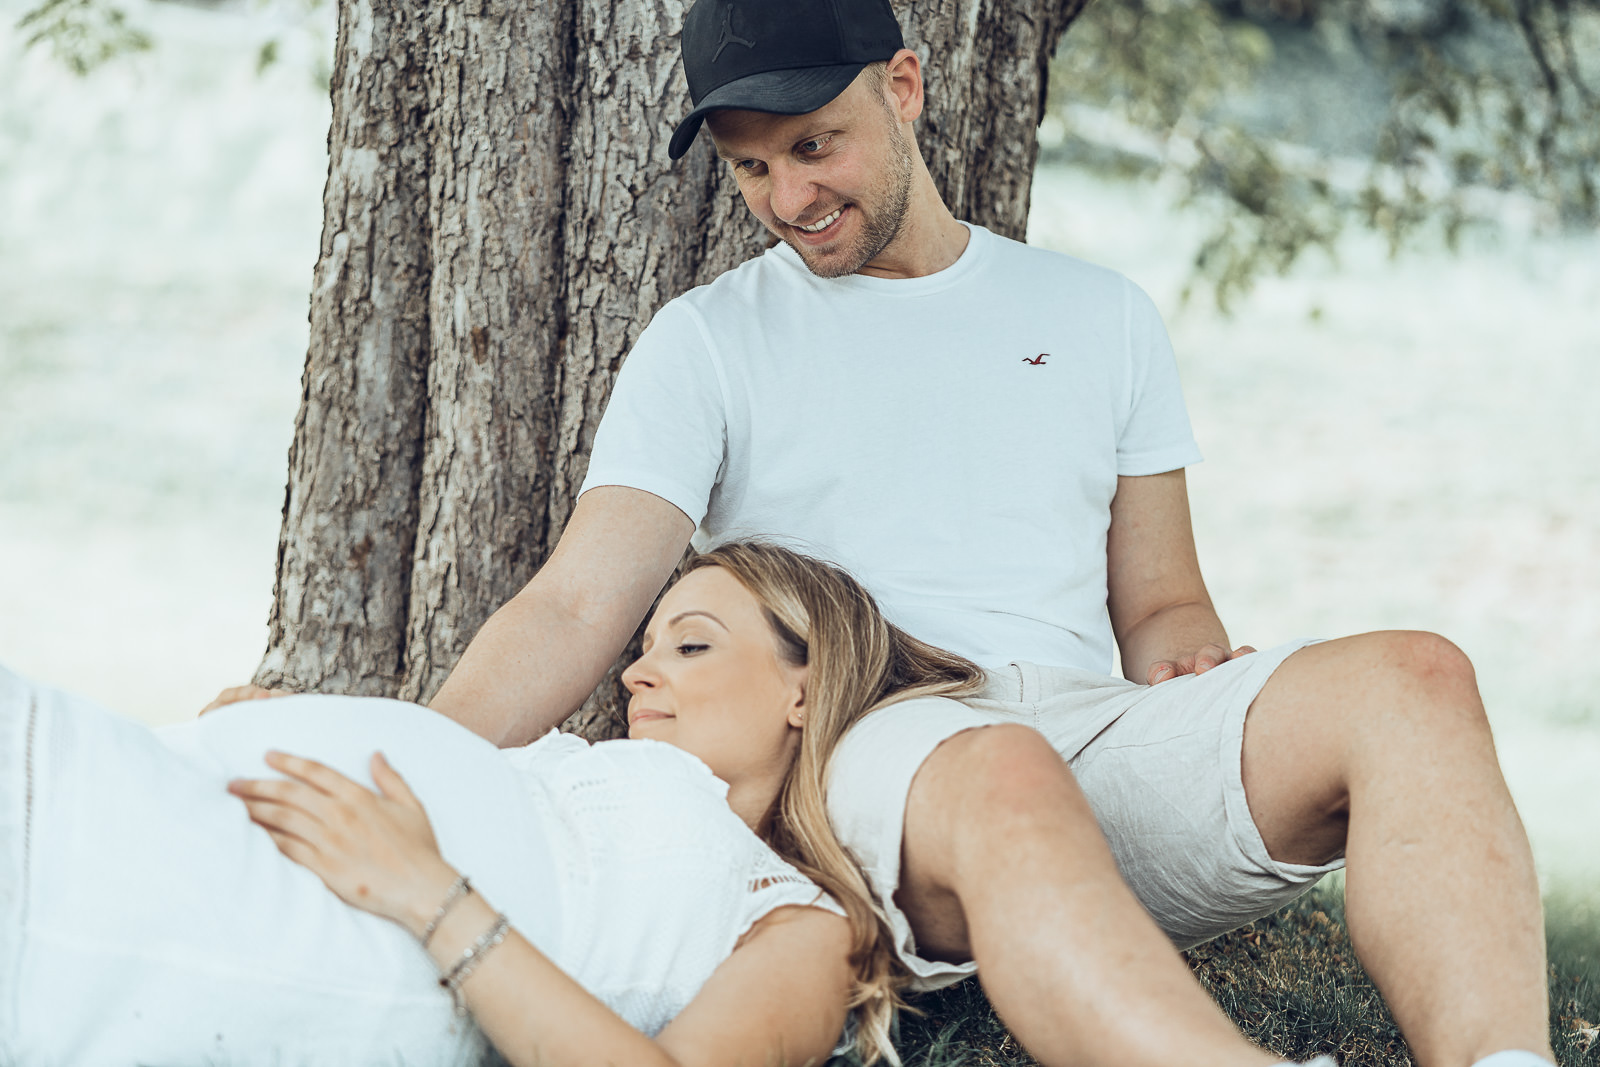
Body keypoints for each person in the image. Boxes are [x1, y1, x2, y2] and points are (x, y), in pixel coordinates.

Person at [332, 2, 1552, 1066]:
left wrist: (1189, 664)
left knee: (1414, 675)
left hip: (1089, 730)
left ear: (904, 88)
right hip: (875, 738)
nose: (790, 199)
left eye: (815, 145)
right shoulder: (707, 341)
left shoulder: (1100, 315)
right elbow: (574, 604)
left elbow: (1164, 601)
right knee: (994, 764)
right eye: (752, 169)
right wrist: (406, 760)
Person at [0, 541, 984, 1067]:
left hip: (301, 931)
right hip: (182, 807)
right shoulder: (589, 775)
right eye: (642, 647)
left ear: (802, 691)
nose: (640, 671)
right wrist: (256, 738)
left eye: (689, 643)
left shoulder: (796, 915)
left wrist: (433, 894)